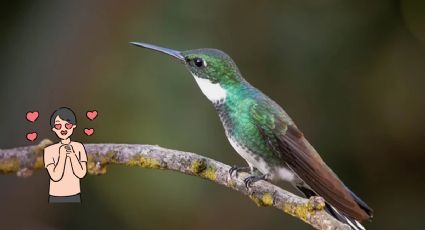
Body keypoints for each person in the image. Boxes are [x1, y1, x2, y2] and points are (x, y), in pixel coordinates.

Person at [43, 107, 87, 203]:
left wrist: (72, 156)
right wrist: (62, 156)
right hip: (55, 195)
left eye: (67, 125)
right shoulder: (49, 150)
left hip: (75, 194)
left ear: (73, 126)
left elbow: (81, 173)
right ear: (54, 129)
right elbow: (55, 176)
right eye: (58, 126)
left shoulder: (79, 147)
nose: (63, 129)